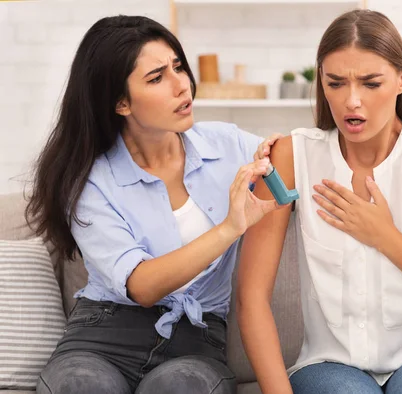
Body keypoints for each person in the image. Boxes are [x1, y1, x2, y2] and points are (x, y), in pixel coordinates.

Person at [237, 9, 402, 394]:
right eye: (336, 83)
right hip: (331, 365)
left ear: (401, 79)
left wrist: (385, 237)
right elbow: (251, 298)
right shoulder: (291, 158)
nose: (352, 101)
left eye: (370, 83)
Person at [26, 15, 284, 394]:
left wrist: (278, 153)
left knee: (181, 387)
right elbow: (142, 286)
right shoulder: (89, 179)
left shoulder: (227, 145)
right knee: (80, 386)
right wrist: (230, 227)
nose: (182, 85)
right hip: (104, 335)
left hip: (196, 339)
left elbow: (295, 155)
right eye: (157, 77)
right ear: (120, 103)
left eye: (178, 66)